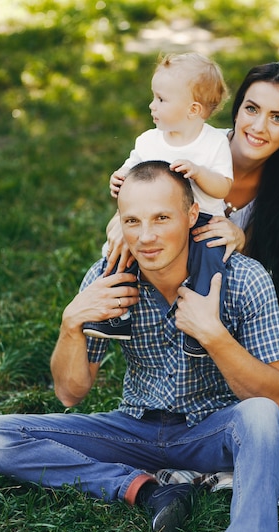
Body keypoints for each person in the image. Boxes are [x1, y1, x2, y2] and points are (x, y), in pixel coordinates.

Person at [0, 161, 279, 532]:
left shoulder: (244, 278)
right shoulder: (109, 276)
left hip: (214, 431)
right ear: (119, 222)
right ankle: (148, 493)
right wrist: (71, 324)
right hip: (135, 431)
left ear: (191, 217)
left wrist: (214, 335)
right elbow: (70, 394)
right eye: (133, 221)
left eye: (161, 218)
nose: (146, 236)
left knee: (261, 418)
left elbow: (278, 398)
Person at [106, 61, 279, 347]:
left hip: (223, 320)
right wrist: (120, 223)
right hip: (161, 299)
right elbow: (143, 193)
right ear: (236, 111)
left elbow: (271, 277)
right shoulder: (196, 146)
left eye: (277, 118)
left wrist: (241, 239)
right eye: (252, 109)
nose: (258, 126)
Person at [83, 52, 233, 358]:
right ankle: (117, 316)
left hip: (202, 221)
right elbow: (132, 171)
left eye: (161, 100)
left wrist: (199, 172)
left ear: (192, 109)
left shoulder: (214, 143)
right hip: (156, 220)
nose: (152, 105)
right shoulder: (149, 140)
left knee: (210, 264)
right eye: (154, 97)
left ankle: (202, 326)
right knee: (118, 254)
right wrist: (120, 178)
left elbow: (224, 186)